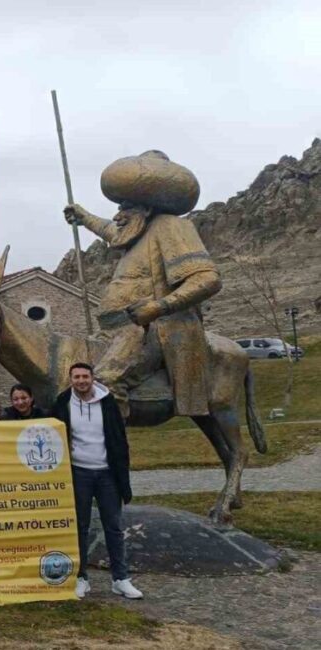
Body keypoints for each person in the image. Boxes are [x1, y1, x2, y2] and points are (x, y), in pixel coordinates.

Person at [63, 150, 221, 418]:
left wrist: (158, 307)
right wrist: (82, 216)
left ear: (145, 208)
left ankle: (115, 448)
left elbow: (208, 279)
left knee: (103, 382)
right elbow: (110, 231)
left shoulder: (170, 227)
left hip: (150, 330)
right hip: (114, 331)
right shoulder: (136, 232)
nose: (117, 215)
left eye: (124, 207)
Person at [52, 363, 143, 600]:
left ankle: (120, 579)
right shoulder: (62, 402)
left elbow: (119, 438)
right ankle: (81, 578)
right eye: (76, 377)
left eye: (85, 376)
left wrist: (122, 474)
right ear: (70, 379)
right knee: (80, 527)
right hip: (78, 472)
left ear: (92, 378)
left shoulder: (107, 402)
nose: (81, 380)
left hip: (106, 473)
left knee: (113, 526)